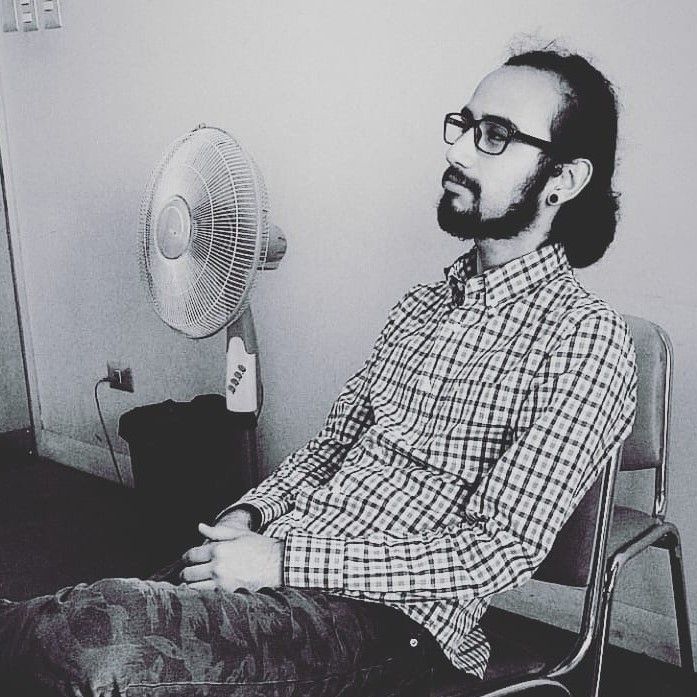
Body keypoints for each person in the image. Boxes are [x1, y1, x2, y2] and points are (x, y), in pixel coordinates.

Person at [0, 47, 637, 697]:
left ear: (563, 178)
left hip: (388, 623)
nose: (458, 151)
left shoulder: (585, 340)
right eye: (465, 124)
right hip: (279, 566)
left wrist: (284, 560)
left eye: (495, 135)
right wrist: (250, 514)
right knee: (60, 622)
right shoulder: (418, 307)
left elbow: (498, 548)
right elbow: (331, 449)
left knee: (89, 641)